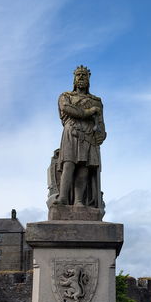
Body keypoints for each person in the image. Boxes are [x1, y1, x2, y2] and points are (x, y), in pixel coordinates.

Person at [54, 65, 106, 207]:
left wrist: (101, 135)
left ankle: (78, 200)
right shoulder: (66, 96)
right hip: (72, 132)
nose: (81, 78)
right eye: (78, 75)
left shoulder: (97, 101)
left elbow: (101, 124)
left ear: (89, 79)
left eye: (84, 75)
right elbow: (67, 109)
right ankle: (63, 197)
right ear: (74, 79)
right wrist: (89, 112)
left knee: (84, 167)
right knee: (69, 164)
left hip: (88, 135)